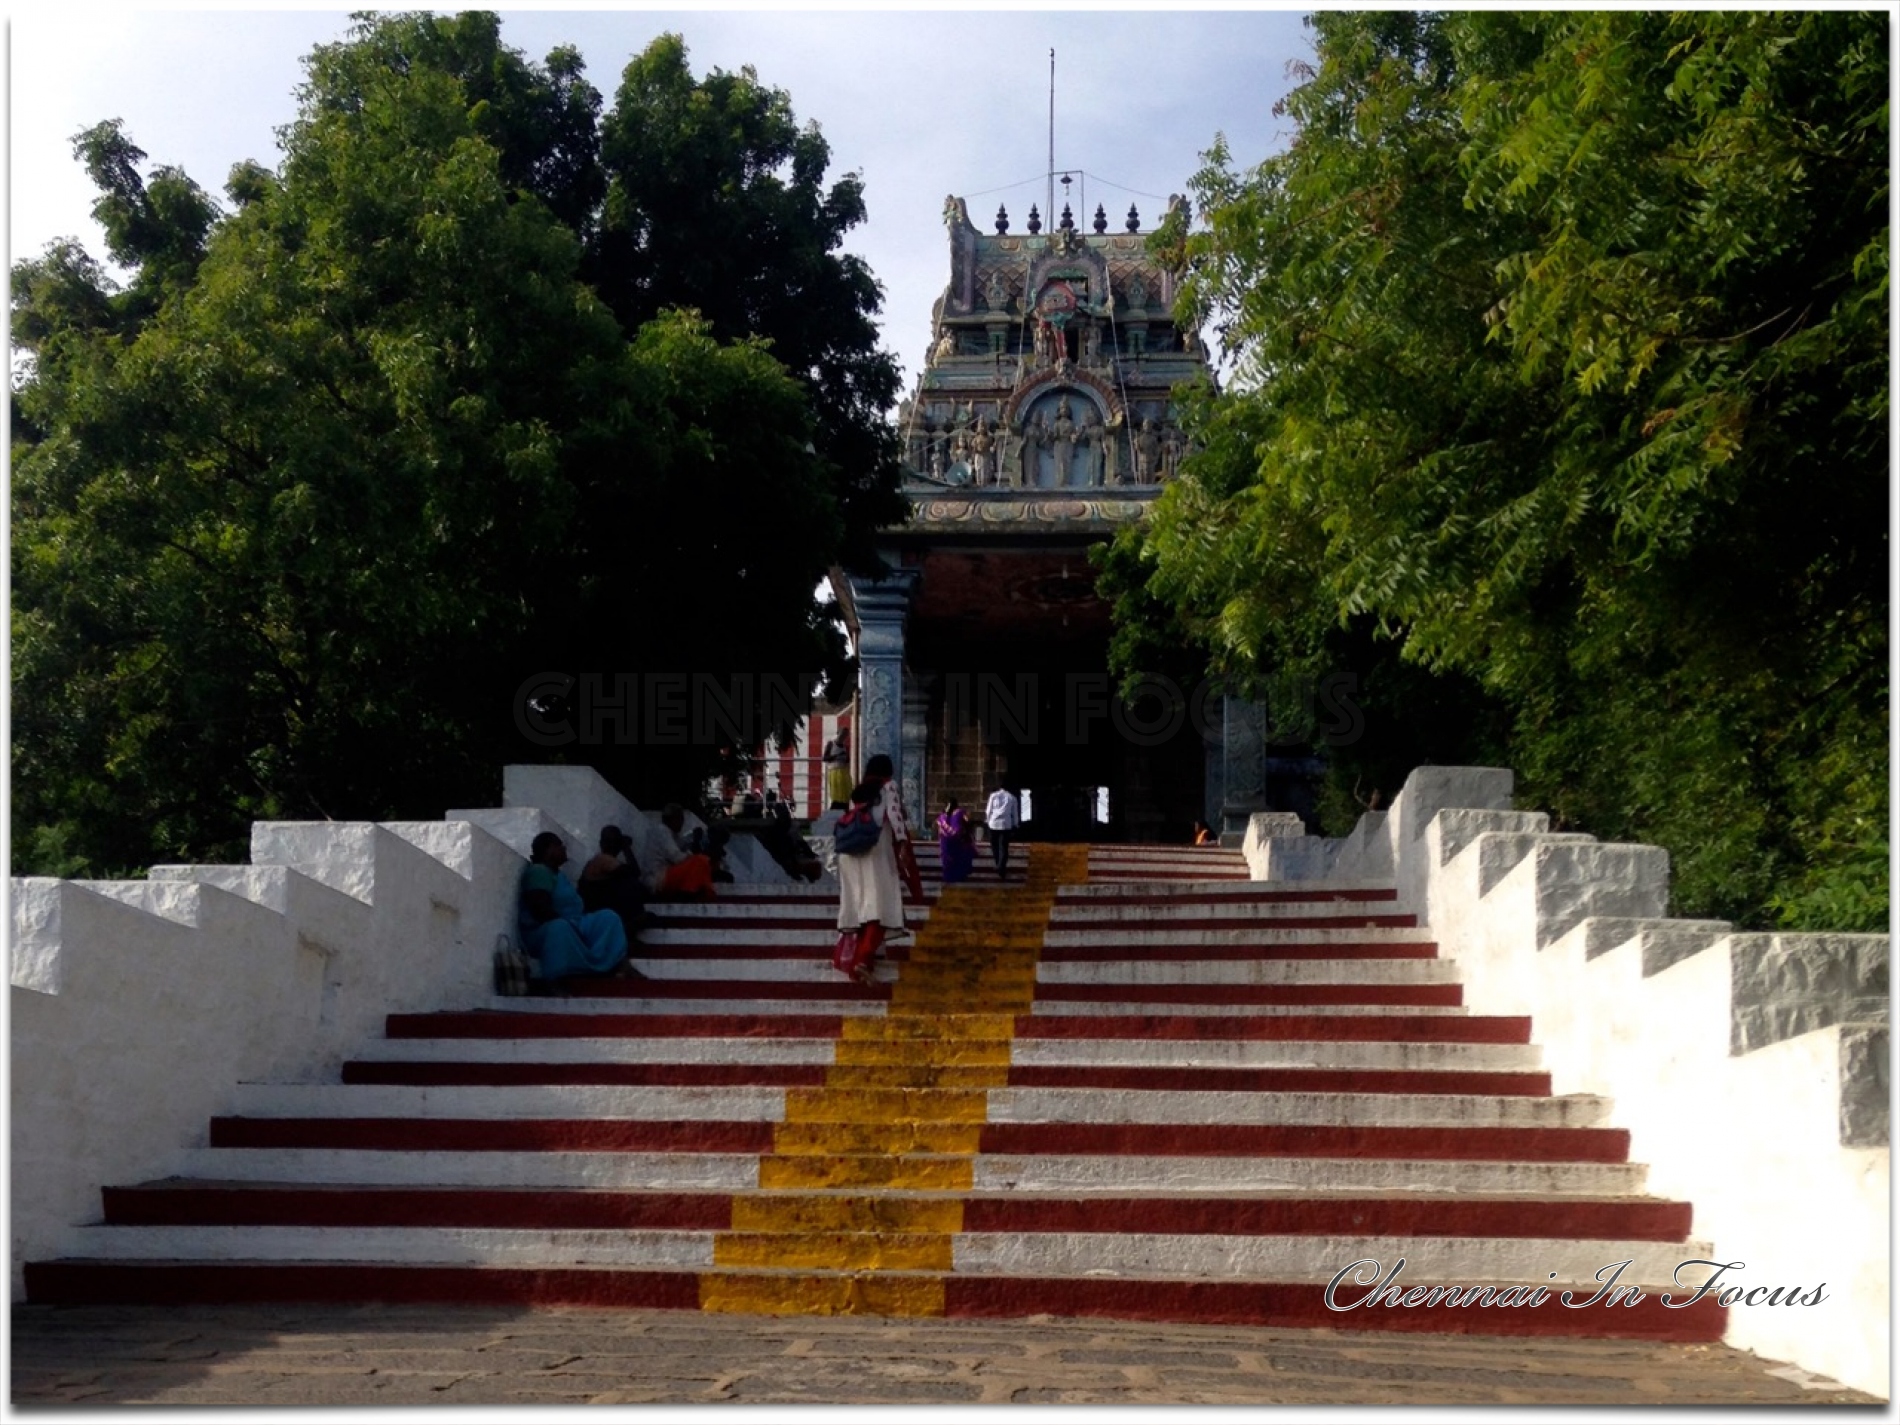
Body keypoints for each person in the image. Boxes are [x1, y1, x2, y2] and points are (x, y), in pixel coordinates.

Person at [833, 753, 907, 984]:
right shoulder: (889, 787)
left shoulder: (862, 790)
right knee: (881, 906)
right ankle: (863, 961)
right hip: (876, 852)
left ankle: (864, 961)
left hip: (852, 853)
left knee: (863, 907)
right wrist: (903, 843)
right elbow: (896, 817)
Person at [517, 832, 630, 982]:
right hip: (545, 929)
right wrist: (572, 928)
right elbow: (540, 910)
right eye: (560, 846)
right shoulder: (538, 871)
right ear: (549, 849)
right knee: (559, 928)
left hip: (574, 922)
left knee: (608, 918)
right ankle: (555, 979)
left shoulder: (558, 874)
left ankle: (613, 964)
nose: (564, 850)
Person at [578, 825, 652, 947]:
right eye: (612, 841)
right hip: (598, 911)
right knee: (631, 885)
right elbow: (634, 872)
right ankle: (623, 933)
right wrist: (626, 848)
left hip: (605, 909)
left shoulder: (604, 861)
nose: (613, 845)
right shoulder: (602, 859)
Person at [645, 804, 716, 900]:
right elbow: (677, 857)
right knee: (700, 860)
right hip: (658, 878)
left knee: (701, 861)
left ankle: (695, 890)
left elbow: (681, 845)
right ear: (673, 819)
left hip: (662, 876)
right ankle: (691, 891)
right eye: (680, 819)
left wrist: (693, 839)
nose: (682, 824)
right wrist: (691, 853)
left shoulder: (669, 833)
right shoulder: (662, 831)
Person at [984, 781, 1021, 880]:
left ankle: (998, 863)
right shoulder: (1012, 798)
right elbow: (1015, 813)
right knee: (1003, 847)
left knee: (994, 845)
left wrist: (987, 820)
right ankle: (1001, 866)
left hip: (993, 823)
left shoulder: (993, 796)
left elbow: (988, 810)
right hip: (1006, 824)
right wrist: (1016, 824)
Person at [936, 798, 976, 885]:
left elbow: (940, 830)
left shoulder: (942, 816)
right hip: (957, 838)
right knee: (959, 857)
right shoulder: (960, 812)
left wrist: (941, 839)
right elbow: (967, 820)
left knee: (947, 858)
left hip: (945, 839)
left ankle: (948, 877)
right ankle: (959, 875)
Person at [822, 730, 852, 809]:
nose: (843, 737)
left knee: (846, 794)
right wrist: (837, 756)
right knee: (837, 795)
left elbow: (847, 760)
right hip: (834, 772)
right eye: (842, 735)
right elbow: (825, 758)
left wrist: (846, 758)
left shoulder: (844, 746)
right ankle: (836, 809)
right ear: (837, 734)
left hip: (844, 771)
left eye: (845, 736)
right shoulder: (831, 744)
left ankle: (845, 809)